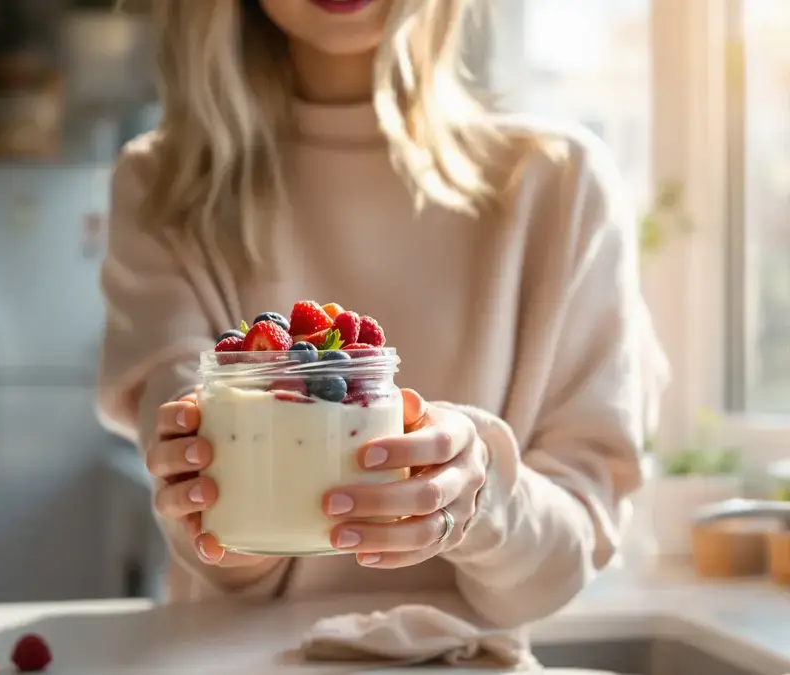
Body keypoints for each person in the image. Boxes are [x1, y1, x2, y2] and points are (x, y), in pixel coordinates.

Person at [97, 0, 668, 629]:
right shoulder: (163, 185)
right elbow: (210, 527)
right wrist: (214, 498)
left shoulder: (560, 187)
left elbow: (566, 558)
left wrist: (482, 500)